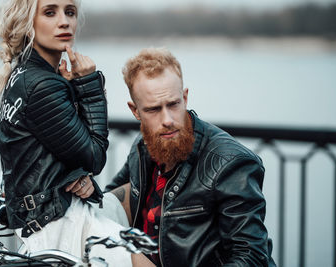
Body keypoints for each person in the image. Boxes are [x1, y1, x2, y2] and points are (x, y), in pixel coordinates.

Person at [0, 0, 153, 266]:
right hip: (58, 225)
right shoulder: (43, 85)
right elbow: (94, 157)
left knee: (134, 196)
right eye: (50, 12)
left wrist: (80, 175)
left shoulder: (23, 74)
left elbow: (48, 150)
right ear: (27, 21)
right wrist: (88, 85)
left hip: (46, 216)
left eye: (70, 12)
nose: (64, 21)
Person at [106, 47, 276, 266]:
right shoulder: (143, 148)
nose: (167, 119)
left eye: (173, 104)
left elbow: (251, 257)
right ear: (135, 111)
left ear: (185, 97)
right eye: (153, 109)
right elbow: (107, 206)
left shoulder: (230, 162)